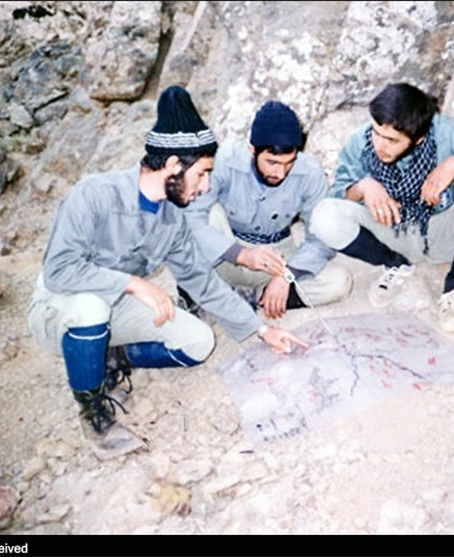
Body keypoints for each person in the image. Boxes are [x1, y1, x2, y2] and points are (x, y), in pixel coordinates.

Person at [27, 86, 307, 459]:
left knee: (199, 342)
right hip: (61, 308)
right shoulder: (93, 194)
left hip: (119, 307)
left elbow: (202, 282)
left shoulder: (172, 217)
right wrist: (132, 283)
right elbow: (59, 270)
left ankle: (112, 356)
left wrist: (261, 330)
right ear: (174, 164)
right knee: (92, 308)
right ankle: (93, 412)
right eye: (202, 173)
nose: (206, 186)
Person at [310, 82, 454, 332]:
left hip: (445, 233)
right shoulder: (360, 140)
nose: (379, 145)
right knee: (324, 215)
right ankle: (395, 265)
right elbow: (339, 194)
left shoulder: (446, 132)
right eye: (376, 133)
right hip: (392, 232)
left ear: (417, 139)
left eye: (392, 140)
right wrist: (363, 186)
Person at [184, 100, 352, 320]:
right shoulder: (224, 160)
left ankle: (255, 296)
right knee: (209, 214)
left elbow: (322, 238)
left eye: (289, 163)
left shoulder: (310, 173)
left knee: (339, 282)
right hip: (226, 254)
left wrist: (287, 276)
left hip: (277, 257)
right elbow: (192, 217)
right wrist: (242, 254)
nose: (281, 173)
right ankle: (201, 292)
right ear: (252, 150)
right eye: (272, 163)